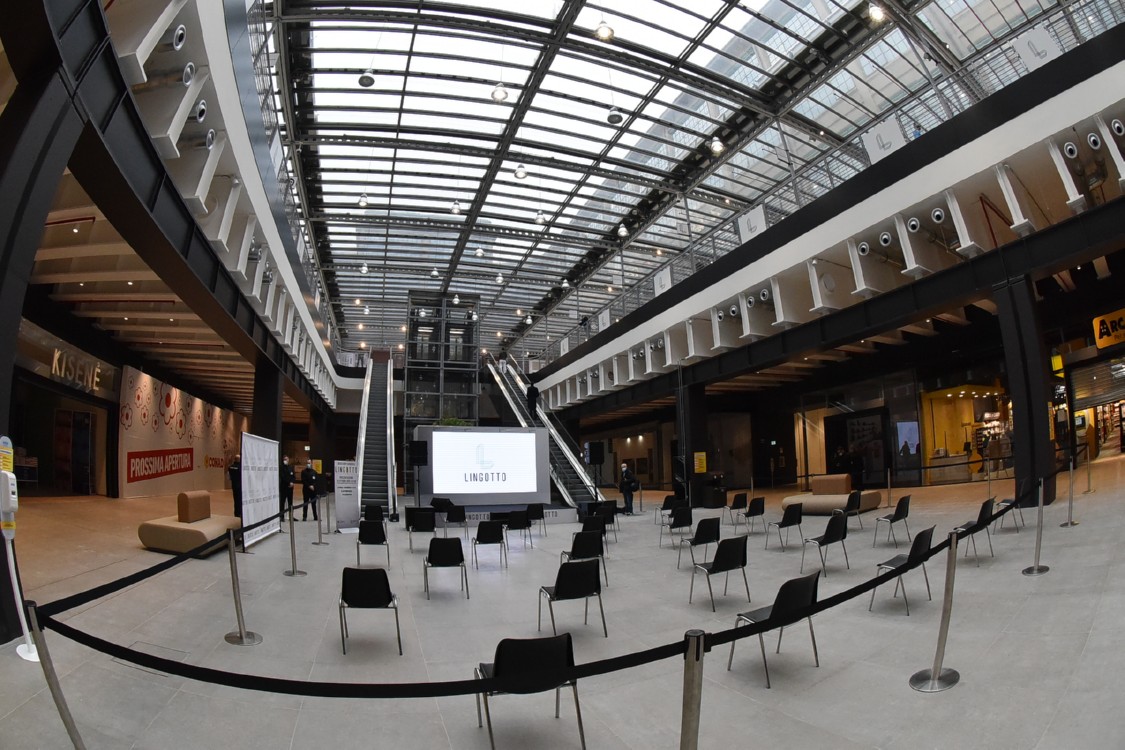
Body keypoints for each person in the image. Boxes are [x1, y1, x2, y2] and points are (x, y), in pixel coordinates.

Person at [279, 454, 295, 522]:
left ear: (288, 460)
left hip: (290, 488)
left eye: (287, 459)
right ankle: (281, 517)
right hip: (284, 487)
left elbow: (293, 476)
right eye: (284, 459)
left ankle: (291, 516)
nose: (286, 460)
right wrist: (289, 483)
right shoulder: (281, 467)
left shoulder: (291, 467)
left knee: (290, 502)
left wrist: (292, 482)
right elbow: (283, 477)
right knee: (282, 502)